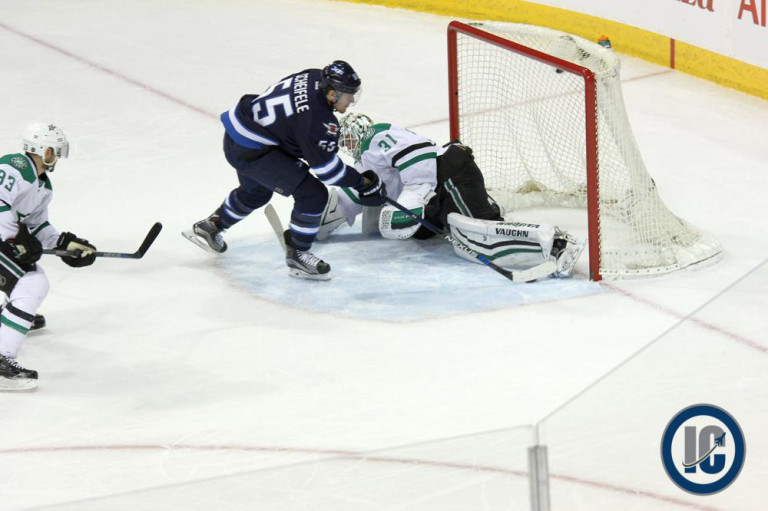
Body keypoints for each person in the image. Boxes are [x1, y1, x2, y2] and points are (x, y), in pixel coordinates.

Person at [183, 60, 387, 280]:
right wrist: (362, 183)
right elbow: (328, 172)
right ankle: (298, 253)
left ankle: (211, 226)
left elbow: (291, 112)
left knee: (256, 192)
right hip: (254, 150)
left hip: (241, 133)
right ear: (331, 93)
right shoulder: (318, 121)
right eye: (348, 95)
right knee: (313, 195)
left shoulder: (313, 75)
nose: (351, 101)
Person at [319, 113, 586, 278]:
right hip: (436, 192)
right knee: (428, 233)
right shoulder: (365, 161)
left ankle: (556, 245)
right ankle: (483, 210)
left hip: (449, 175)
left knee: (478, 239)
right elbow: (346, 200)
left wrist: (411, 203)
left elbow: (420, 164)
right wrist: (309, 227)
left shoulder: (377, 137)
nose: (347, 146)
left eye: (347, 140)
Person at [0, 123, 97, 391]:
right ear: (44, 150)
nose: (57, 156)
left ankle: (10, 317)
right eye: (55, 150)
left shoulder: (42, 185)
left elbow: (36, 226)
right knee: (31, 282)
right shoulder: (16, 166)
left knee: (30, 276)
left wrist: (65, 244)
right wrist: (13, 239)